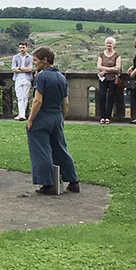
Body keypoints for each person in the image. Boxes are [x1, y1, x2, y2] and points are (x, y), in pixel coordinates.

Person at [26, 47, 80, 195]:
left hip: (42, 117)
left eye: (36, 60)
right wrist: (62, 117)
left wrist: (30, 119)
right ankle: (73, 181)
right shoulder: (61, 77)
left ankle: (47, 183)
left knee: (41, 150)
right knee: (60, 149)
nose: (34, 64)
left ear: (45, 60)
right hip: (56, 116)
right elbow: (66, 102)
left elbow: (37, 101)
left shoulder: (41, 77)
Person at [96, 37, 121, 124]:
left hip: (112, 79)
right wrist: (111, 69)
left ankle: (108, 117)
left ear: (113, 44)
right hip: (103, 79)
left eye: (110, 43)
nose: (108, 45)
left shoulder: (117, 55)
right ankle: (102, 116)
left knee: (111, 97)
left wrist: (105, 70)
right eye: (107, 43)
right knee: (102, 96)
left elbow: (118, 68)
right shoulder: (101, 54)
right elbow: (98, 66)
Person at [11, 41, 33, 121]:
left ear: (26, 48)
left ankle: (22, 114)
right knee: (19, 96)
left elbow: (30, 69)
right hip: (18, 78)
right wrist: (24, 69)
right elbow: (13, 69)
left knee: (25, 96)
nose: (22, 49)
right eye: (20, 48)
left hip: (27, 78)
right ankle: (22, 114)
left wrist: (19, 68)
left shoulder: (30, 57)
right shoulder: (15, 57)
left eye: (23, 47)